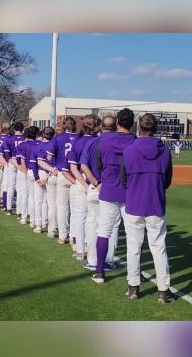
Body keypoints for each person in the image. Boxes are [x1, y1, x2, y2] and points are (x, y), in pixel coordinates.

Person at [121, 113, 173, 304]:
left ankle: (133, 287)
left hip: (134, 203)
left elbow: (123, 180)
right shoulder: (164, 151)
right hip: (156, 203)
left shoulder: (129, 150)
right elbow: (167, 180)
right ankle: (163, 290)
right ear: (155, 129)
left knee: (133, 247)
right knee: (158, 248)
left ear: (139, 128)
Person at [91, 108, 136, 284]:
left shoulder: (104, 139)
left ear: (118, 122)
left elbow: (97, 164)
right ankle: (133, 276)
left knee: (104, 231)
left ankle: (99, 271)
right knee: (133, 234)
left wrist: (100, 182)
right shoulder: (135, 141)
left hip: (108, 189)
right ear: (132, 124)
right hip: (129, 191)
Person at [80, 115, 121, 271]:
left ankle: (92, 261)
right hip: (112, 189)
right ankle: (108, 260)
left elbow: (83, 166)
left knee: (93, 223)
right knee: (112, 226)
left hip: (94, 187)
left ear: (102, 127)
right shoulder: (118, 142)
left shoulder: (92, 142)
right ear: (116, 126)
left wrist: (96, 183)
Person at [67, 114, 101, 261]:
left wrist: (85, 185)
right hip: (98, 183)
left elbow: (73, 168)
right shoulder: (99, 141)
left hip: (82, 183)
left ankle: (81, 251)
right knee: (95, 220)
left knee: (80, 217)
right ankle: (92, 250)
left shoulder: (78, 142)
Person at [45, 117, 80, 245]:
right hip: (76, 174)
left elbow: (48, 156)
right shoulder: (79, 138)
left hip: (61, 173)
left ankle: (62, 235)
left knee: (62, 206)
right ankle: (73, 237)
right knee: (76, 208)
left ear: (64, 126)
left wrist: (56, 163)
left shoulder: (58, 137)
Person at [33, 127, 55, 234]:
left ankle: (39, 225)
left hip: (42, 172)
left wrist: (36, 177)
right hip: (52, 173)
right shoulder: (55, 145)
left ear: (43, 134)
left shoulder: (39, 145)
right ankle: (46, 224)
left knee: (39, 201)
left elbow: (34, 163)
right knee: (49, 202)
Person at [3, 122, 26, 215]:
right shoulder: (25, 139)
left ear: (14, 129)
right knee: (21, 188)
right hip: (23, 164)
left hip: (13, 162)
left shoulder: (9, 139)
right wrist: (20, 166)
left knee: (11, 186)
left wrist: (15, 164)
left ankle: (8, 209)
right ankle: (19, 210)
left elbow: (8, 156)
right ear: (22, 129)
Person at [22, 126, 41, 229]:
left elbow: (22, 162)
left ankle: (32, 220)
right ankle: (40, 221)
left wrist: (26, 173)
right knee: (40, 199)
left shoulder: (24, 145)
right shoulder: (41, 144)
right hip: (41, 171)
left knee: (31, 197)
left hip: (30, 170)